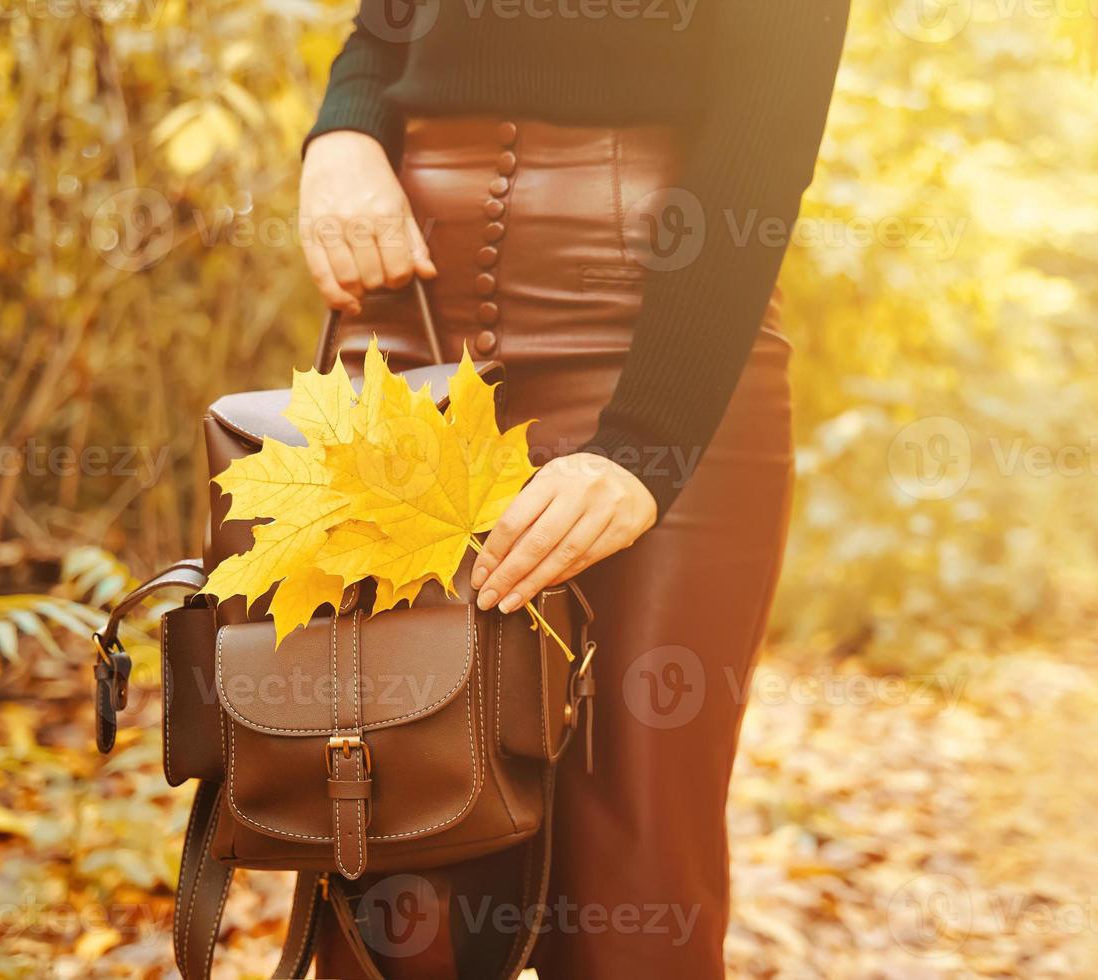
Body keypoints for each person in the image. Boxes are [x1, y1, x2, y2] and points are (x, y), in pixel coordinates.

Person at [298, 3, 849, 975]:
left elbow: (763, 141)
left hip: (655, 339)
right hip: (407, 327)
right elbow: (384, 30)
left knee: (633, 886)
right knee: (395, 874)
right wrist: (342, 129)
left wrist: (647, 447)